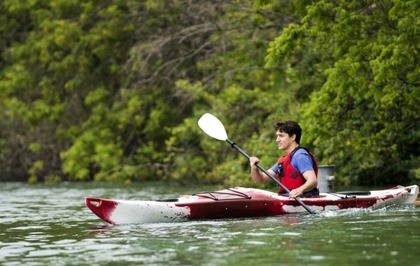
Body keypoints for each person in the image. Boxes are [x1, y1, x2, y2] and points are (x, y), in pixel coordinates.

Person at [249, 120, 319, 198]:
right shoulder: (285, 161)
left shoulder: (300, 156)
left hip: (304, 201)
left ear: (293, 137)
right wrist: (254, 168)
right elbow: (260, 179)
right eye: (277, 136)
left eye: (281, 136)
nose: (277, 140)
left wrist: (299, 190)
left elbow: (312, 180)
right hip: (289, 200)